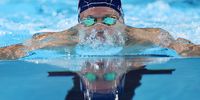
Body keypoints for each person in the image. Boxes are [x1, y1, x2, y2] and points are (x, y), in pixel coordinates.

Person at [0, 0, 200, 60]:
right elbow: (17, 50)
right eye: (89, 21)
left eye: (109, 20)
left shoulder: (149, 37)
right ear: (79, 23)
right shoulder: (59, 40)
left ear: (122, 20)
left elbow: (184, 48)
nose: (99, 28)